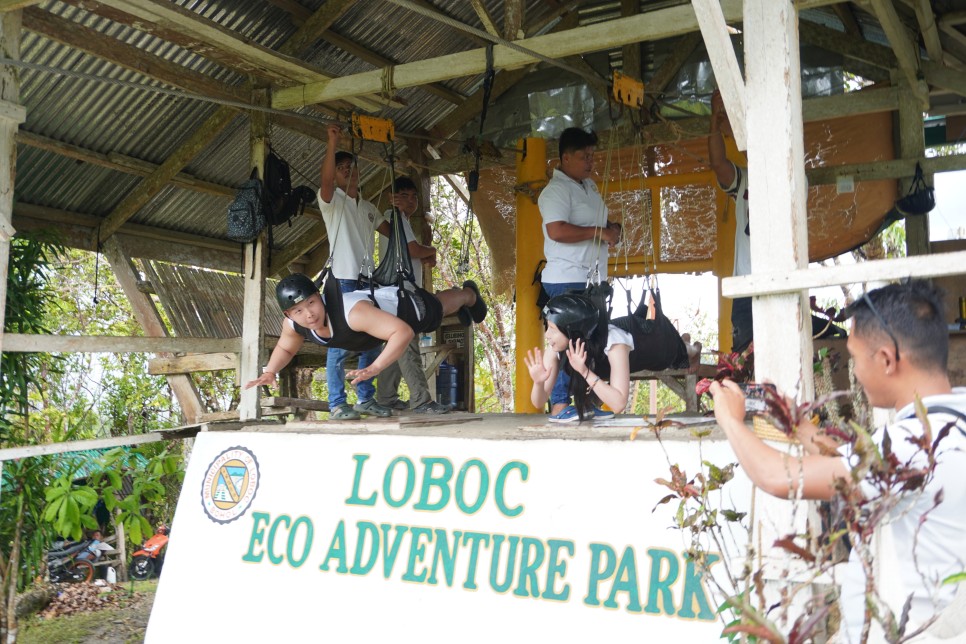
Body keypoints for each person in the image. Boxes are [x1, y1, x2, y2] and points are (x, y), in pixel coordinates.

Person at [709, 280, 966, 643]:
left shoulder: (912, 443)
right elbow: (854, 465)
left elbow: (776, 477)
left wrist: (730, 420)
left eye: (856, 358)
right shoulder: (949, 418)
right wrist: (799, 427)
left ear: (887, 360)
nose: (855, 371)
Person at [243, 273, 486, 392]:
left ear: (320, 296)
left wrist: (375, 368)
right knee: (437, 309)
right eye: (298, 310)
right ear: (288, 315)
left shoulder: (353, 313)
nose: (308, 314)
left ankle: (468, 295)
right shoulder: (293, 325)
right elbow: (286, 347)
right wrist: (271, 370)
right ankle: (464, 302)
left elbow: (403, 332)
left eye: (311, 303)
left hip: (407, 309)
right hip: (379, 324)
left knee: (437, 309)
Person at [537, 127, 622, 420]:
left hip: (591, 280)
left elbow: (596, 223)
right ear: (565, 157)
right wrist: (599, 232)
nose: (591, 161)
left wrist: (611, 230)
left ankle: (587, 403)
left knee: (590, 344)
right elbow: (556, 230)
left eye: (592, 156)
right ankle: (560, 404)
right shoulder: (556, 191)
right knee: (562, 344)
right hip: (566, 279)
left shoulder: (589, 187)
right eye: (584, 156)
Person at [525, 291, 701, 423]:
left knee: (680, 353)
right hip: (615, 342)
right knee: (679, 347)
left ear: (571, 331)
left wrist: (585, 372)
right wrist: (539, 382)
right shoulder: (556, 348)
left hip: (650, 343)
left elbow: (618, 404)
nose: (547, 335)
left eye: (552, 330)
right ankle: (684, 341)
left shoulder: (615, 342)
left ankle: (693, 348)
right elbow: (538, 402)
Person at [317, 123, 391, 420]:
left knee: (373, 338)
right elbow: (323, 183)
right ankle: (336, 402)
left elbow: (390, 230)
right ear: (334, 175)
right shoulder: (332, 201)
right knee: (339, 341)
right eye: (341, 167)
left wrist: (402, 209)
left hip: (366, 281)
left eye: (351, 166)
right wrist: (332, 144)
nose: (347, 170)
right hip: (342, 280)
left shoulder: (367, 207)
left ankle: (365, 398)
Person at [374, 176, 450, 414]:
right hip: (399, 292)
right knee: (407, 343)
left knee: (396, 345)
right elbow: (411, 249)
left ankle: (386, 397)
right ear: (392, 197)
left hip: (397, 291)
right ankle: (421, 400)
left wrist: (425, 252)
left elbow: (417, 254)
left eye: (413, 196)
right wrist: (431, 250)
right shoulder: (394, 217)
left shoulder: (401, 220)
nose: (410, 200)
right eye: (403, 195)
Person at [708, 90, 754, 354]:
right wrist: (714, 121)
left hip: (778, 282)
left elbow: (758, 153)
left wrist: (734, 125)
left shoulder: (794, 178)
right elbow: (718, 163)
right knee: (746, 365)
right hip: (744, 288)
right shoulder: (745, 178)